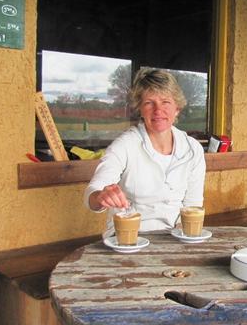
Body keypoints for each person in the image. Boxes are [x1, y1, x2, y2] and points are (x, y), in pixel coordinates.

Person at [84, 68, 206, 233]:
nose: (158, 110)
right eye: (149, 103)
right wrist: (101, 196)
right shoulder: (125, 145)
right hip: (129, 238)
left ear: (177, 108)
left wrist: (181, 245)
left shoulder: (193, 150)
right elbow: (92, 194)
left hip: (175, 237)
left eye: (165, 102)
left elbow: (193, 206)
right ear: (140, 108)